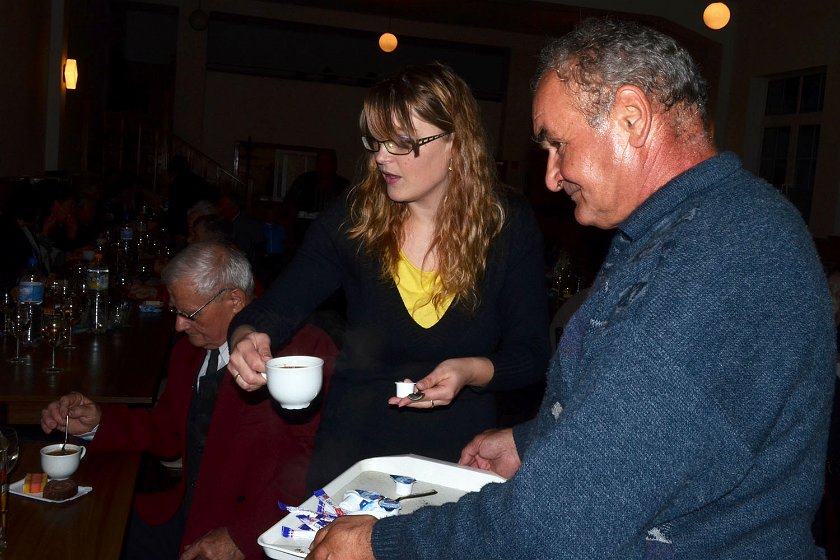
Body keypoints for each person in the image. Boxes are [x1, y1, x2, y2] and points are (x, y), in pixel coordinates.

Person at [307, 18, 836, 560]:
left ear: (631, 118)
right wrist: (533, 441)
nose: (551, 176)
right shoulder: (689, 228)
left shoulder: (722, 259)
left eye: (558, 145)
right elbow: (656, 429)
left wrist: (381, 543)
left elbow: (561, 524)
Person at [227, 63, 550, 490]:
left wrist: (472, 370)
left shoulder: (507, 227)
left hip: (458, 458)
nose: (381, 157)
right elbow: (272, 310)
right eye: (376, 141)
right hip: (355, 456)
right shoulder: (353, 221)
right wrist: (246, 337)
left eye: (401, 142)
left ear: (455, 143)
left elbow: (532, 355)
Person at [41, 241, 338, 560]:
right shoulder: (189, 353)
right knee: (81, 529)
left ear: (235, 301)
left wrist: (243, 537)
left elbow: (320, 466)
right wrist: (98, 423)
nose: (179, 325)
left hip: (257, 533)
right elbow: (168, 431)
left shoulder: (301, 356)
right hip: (187, 514)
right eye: (177, 312)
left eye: (189, 314)